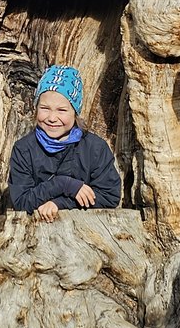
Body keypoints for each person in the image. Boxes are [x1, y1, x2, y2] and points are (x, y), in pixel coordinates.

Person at [8, 64, 121, 220]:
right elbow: (21, 202)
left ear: (75, 112)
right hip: (35, 234)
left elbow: (109, 197)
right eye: (45, 108)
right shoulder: (23, 149)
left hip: (86, 235)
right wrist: (63, 184)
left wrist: (60, 203)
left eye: (62, 110)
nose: (52, 118)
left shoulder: (95, 148)